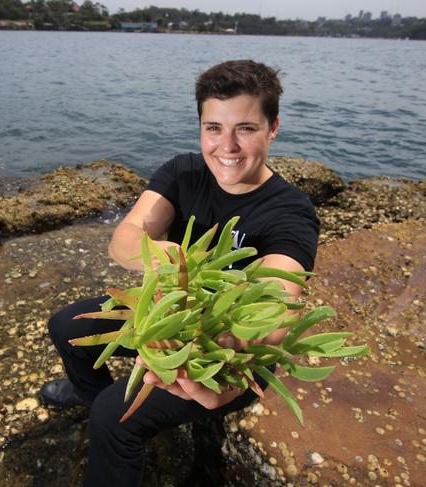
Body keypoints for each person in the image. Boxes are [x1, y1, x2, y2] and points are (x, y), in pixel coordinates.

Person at [40, 59, 319, 486]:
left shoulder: (291, 212)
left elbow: (277, 301)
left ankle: (114, 425)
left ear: (273, 127)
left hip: (223, 355)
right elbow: (124, 239)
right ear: (201, 127)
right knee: (65, 327)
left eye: (245, 128)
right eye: (213, 128)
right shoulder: (183, 171)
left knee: (115, 418)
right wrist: (166, 257)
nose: (227, 146)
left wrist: (229, 357)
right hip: (161, 316)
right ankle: (89, 395)